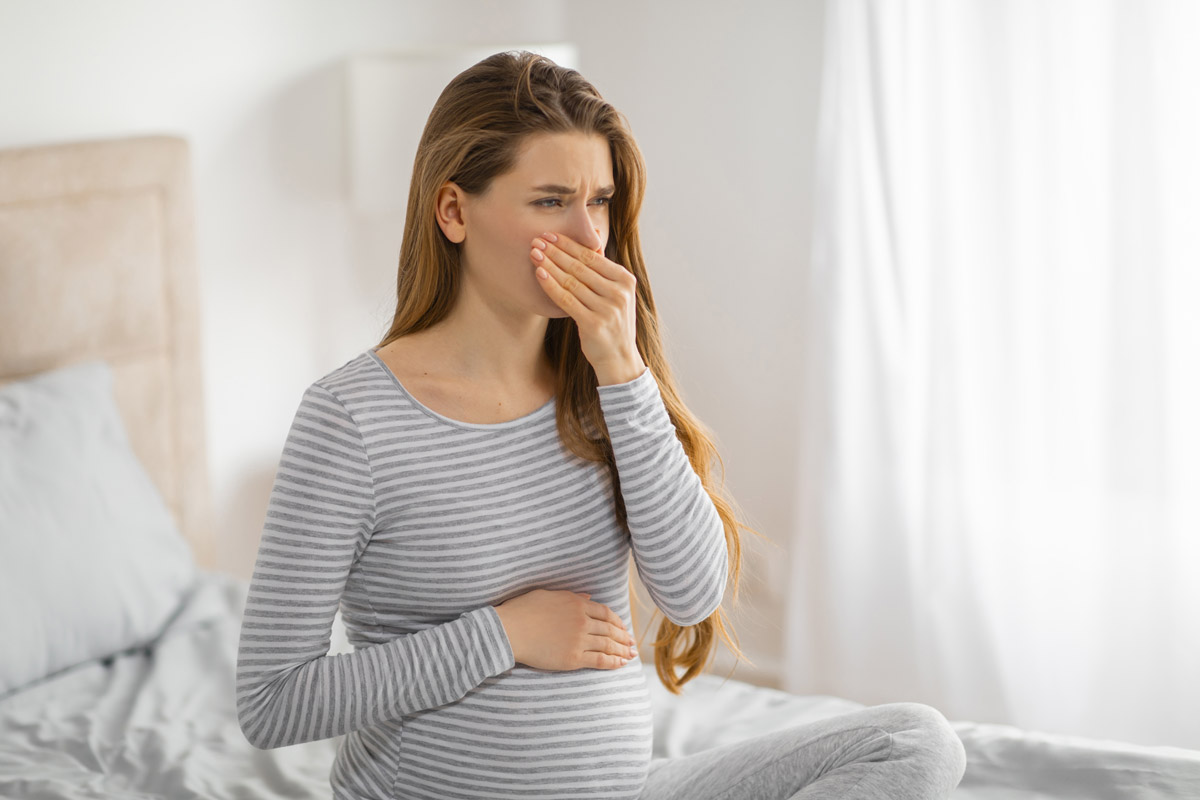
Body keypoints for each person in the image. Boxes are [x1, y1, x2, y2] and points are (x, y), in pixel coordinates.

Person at [235, 50, 966, 800]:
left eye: (601, 201)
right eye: (551, 201)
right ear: (453, 211)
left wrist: (624, 371)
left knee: (913, 742)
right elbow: (270, 701)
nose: (591, 238)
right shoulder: (351, 419)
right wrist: (506, 634)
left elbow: (692, 594)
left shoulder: (602, 388)